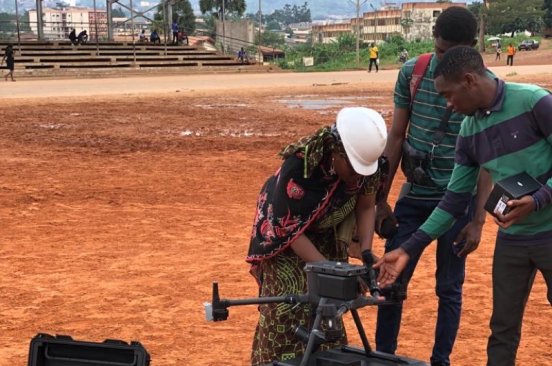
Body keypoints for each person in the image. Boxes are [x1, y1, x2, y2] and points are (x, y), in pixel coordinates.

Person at [375, 45, 552, 366]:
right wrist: (407, 249)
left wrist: (539, 199)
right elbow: (454, 200)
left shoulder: (534, 102)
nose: (448, 105)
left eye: (448, 95)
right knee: (502, 330)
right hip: (513, 240)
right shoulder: (470, 131)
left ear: (469, 80)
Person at [374, 7, 493, 366]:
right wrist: (382, 200)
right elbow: (396, 136)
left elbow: (485, 158)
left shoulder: (483, 86)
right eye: (441, 53)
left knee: (449, 288)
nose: (446, 64)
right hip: (415, 195)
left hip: (458, 203)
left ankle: (441, 360)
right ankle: (384, 357)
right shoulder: (412, 73)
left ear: (472, 49)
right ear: (432, 43)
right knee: (390, 281)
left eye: (454, 54)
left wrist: (478, 220)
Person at [246, 107, 388, 365]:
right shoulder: (299, 167)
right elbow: (290, 231)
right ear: (336, 150)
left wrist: (366, 255)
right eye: (355, 168)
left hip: (327, 230)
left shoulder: (367, 161)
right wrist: (332, 271)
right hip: (285, 236)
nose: (359, 177)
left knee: (330, 307)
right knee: (287, 307)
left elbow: (366, 206)